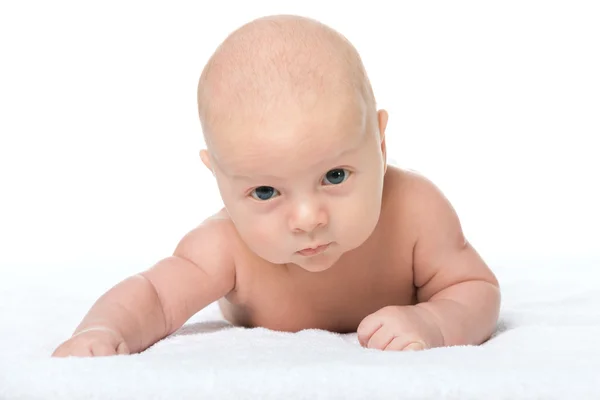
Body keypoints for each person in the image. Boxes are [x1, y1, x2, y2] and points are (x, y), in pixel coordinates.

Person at [52, 14, 500, 357]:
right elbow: (153, 296)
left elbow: (476, 287)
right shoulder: (225, 247)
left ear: (380, 144)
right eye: (265, 193)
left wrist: (435, 322)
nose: (308, 219)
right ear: (220, 181)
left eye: (335, 176)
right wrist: (104, 331)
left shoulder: (415, 212)